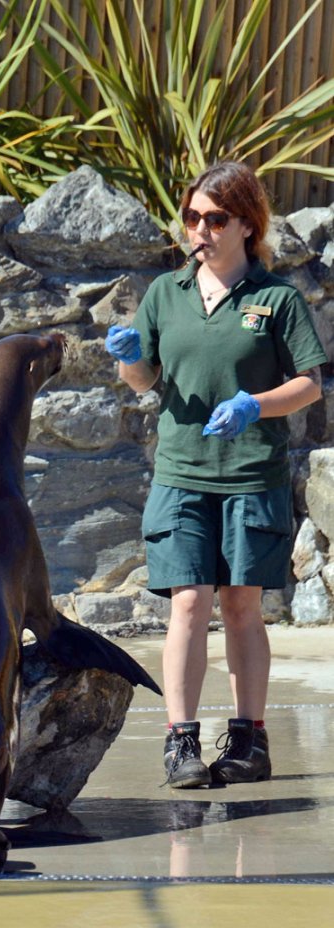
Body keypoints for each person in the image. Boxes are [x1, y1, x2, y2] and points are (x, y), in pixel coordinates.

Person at [105, 160, 326, 788]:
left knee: (240, 608)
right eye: (191, 217)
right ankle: (181, 744)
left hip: (252, 475)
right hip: (181, 473)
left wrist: (256, 404)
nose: (199, 228)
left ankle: (250, 740)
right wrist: (128, 362)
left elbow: (311, 383)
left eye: (214, 218)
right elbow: (148, 380)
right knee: (188, 603)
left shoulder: (275, 299)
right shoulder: (164, 294)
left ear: (246, 224)